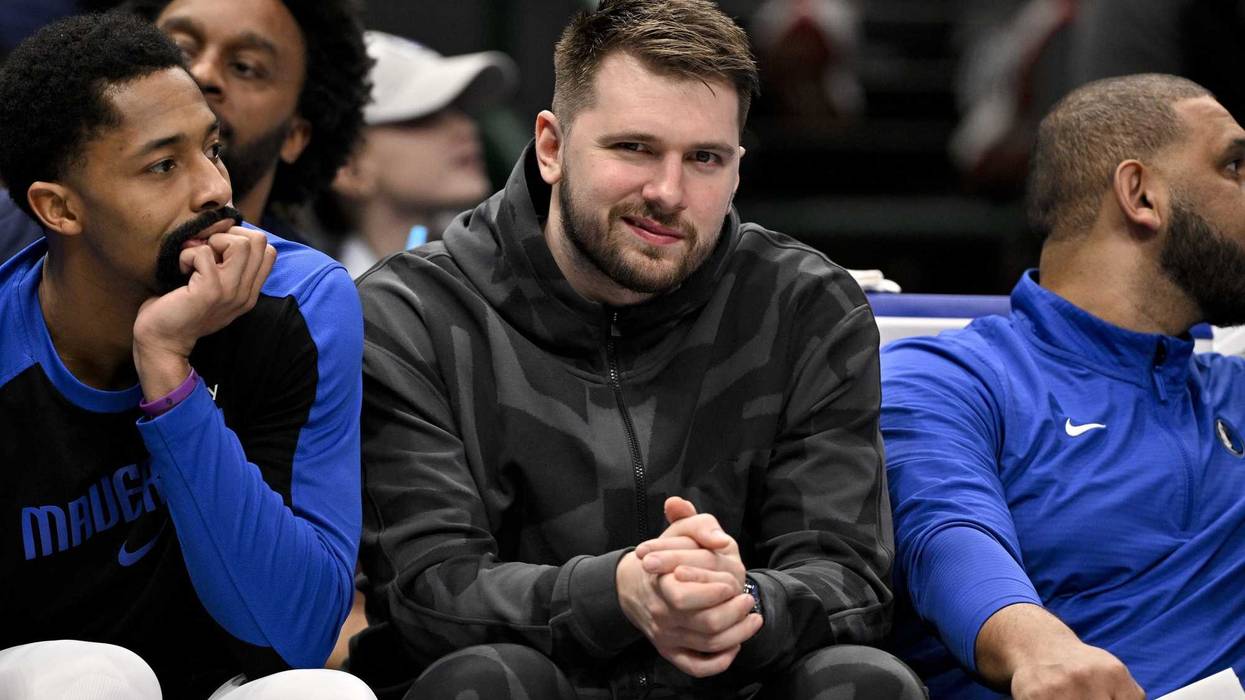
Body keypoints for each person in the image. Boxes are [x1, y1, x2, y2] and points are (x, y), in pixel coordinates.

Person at [350, 1, 925, 698]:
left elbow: (849, 578)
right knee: (487, 682)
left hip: (730, 678)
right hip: (535, 681)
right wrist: (617, 593)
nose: (668, 193)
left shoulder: (802, 303)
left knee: (863, 681)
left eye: (704, 158)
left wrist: (736, 597)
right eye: (634, 149)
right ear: (551, 147)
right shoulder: (411, 312)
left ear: (737, 167)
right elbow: (426, 591)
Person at [0, 13, 372, 700]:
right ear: (59, 209)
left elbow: (299, 636)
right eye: (163, 166)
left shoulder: (300, 299)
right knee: (90, 680)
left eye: (214, 149)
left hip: (212, 676)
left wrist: (168, 372)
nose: (214, 191)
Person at [881, 73, 1245, 699]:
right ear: (1141, 195)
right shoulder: (948, 379)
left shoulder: (1233, 389)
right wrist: (1037, 647)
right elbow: (945, 535)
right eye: (1235, 166)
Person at [0, 0, 372, 260]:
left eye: (245, 67)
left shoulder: (309, 301)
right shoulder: (8, 237)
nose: (203, 74)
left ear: (296, 135)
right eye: (177, 49)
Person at [328, 30, 517, 279]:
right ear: (350, 168)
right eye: (422, 116)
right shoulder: (321, 305)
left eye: (457, 108)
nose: (466, 127)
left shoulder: (505, 270)